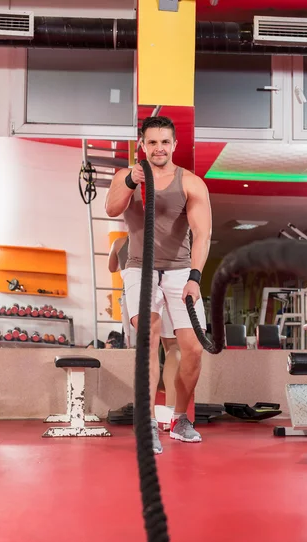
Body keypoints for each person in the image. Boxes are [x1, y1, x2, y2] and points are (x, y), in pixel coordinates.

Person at [105, 115, 212, 454]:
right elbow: (111, 209)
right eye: (152, 142)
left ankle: (180, 418)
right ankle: (148, 423)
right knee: (148, 340)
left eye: (165, 142)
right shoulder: (126, 176)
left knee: (192, 349)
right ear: (142, 145)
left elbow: (203, 233)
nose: (159, 148)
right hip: (140, 268)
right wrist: (133, 183)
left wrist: (195, 277)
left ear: (174, 145)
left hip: (181, 270)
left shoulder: (191, 182)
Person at [108, 234, 181, 408]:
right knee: (173, 347)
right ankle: (171, 409)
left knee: (148, 349)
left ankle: (148, 415)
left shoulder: (119, 243)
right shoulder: (166, 239)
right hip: (165, 289)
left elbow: (112, 268)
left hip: (136, 292)